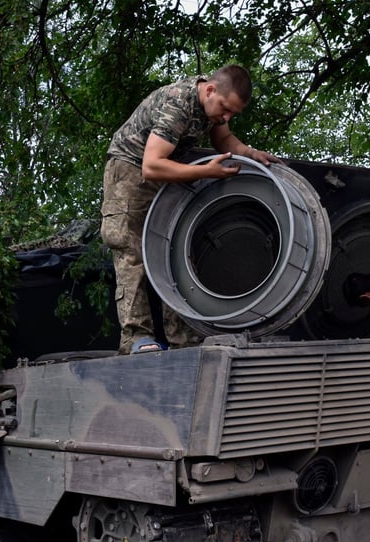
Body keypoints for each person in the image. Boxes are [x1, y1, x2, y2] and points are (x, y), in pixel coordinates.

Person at [101, 65, 280, 354]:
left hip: (167, 174)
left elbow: (223, 140)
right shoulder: (178, 104)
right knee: (132, 254)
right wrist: (204, 173)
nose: (226, 117)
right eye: (225, 109)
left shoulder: (213, 106)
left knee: (176, 251)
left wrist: (250, 153)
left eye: (232, 114)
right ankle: (137, 338)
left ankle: (183, 339)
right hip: (130, 172)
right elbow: (151, 166)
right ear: (210, 89)